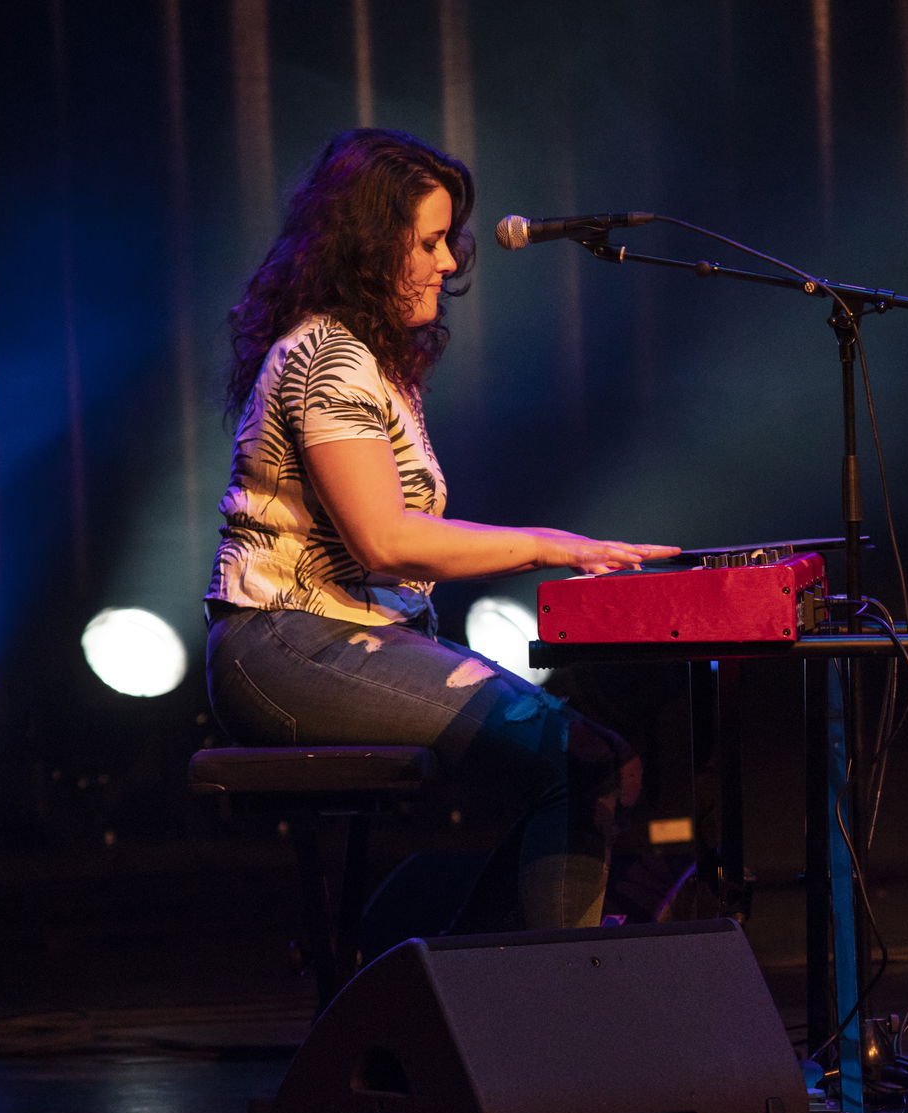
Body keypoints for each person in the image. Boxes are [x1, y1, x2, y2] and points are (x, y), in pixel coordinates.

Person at [203, 128, 677, 931]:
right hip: (285, 646)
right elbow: (385, 542)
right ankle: (543, 1007)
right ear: (368, 246)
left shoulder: (371, 365)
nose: (449, 262)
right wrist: (549, 545)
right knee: (580, 758)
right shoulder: (327, 358)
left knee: (601, 761)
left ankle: (483, 991)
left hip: (346, 639)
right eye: (428, 242)